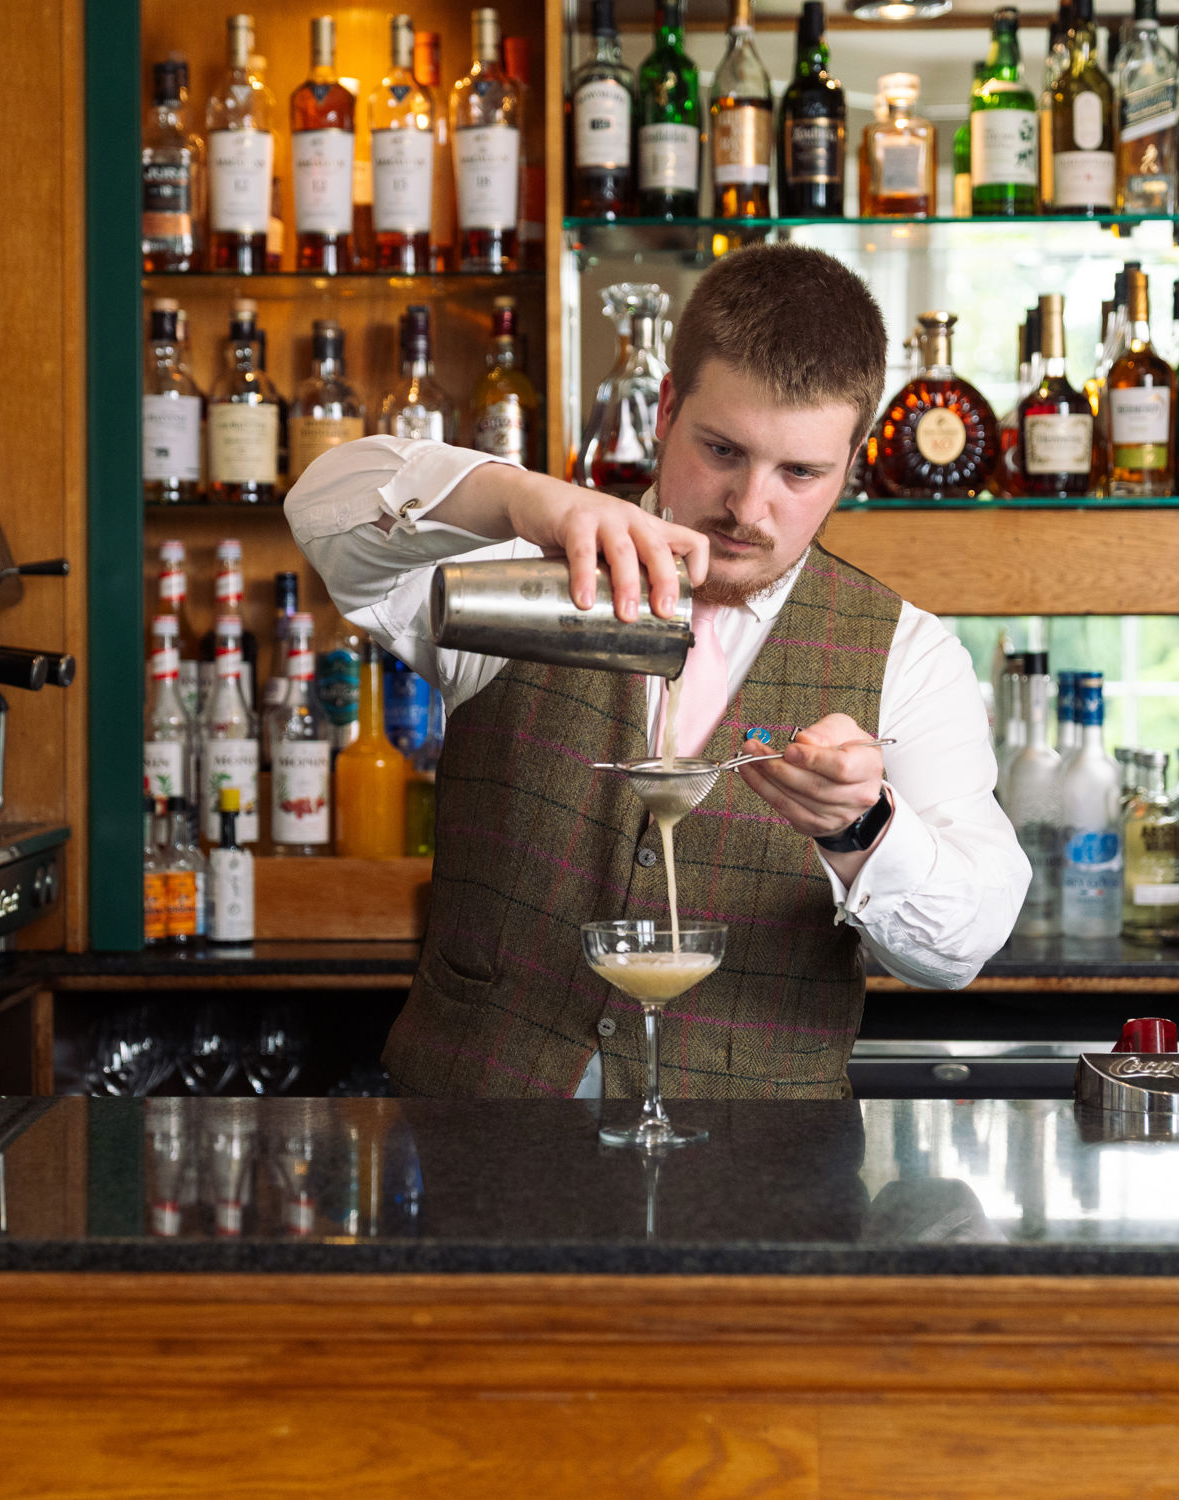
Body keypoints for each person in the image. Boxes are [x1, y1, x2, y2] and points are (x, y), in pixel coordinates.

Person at [288, 243, 1029, 1100]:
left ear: (852, 462)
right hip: (477, 1137)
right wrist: (524, 497)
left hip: (759, 1164)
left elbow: (960, 948)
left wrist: (861, 830)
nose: (748, 508)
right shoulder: (524, 564)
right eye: (722, 450)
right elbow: (323, 508)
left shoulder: (907, 654)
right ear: (667, 408)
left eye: (800, 472)